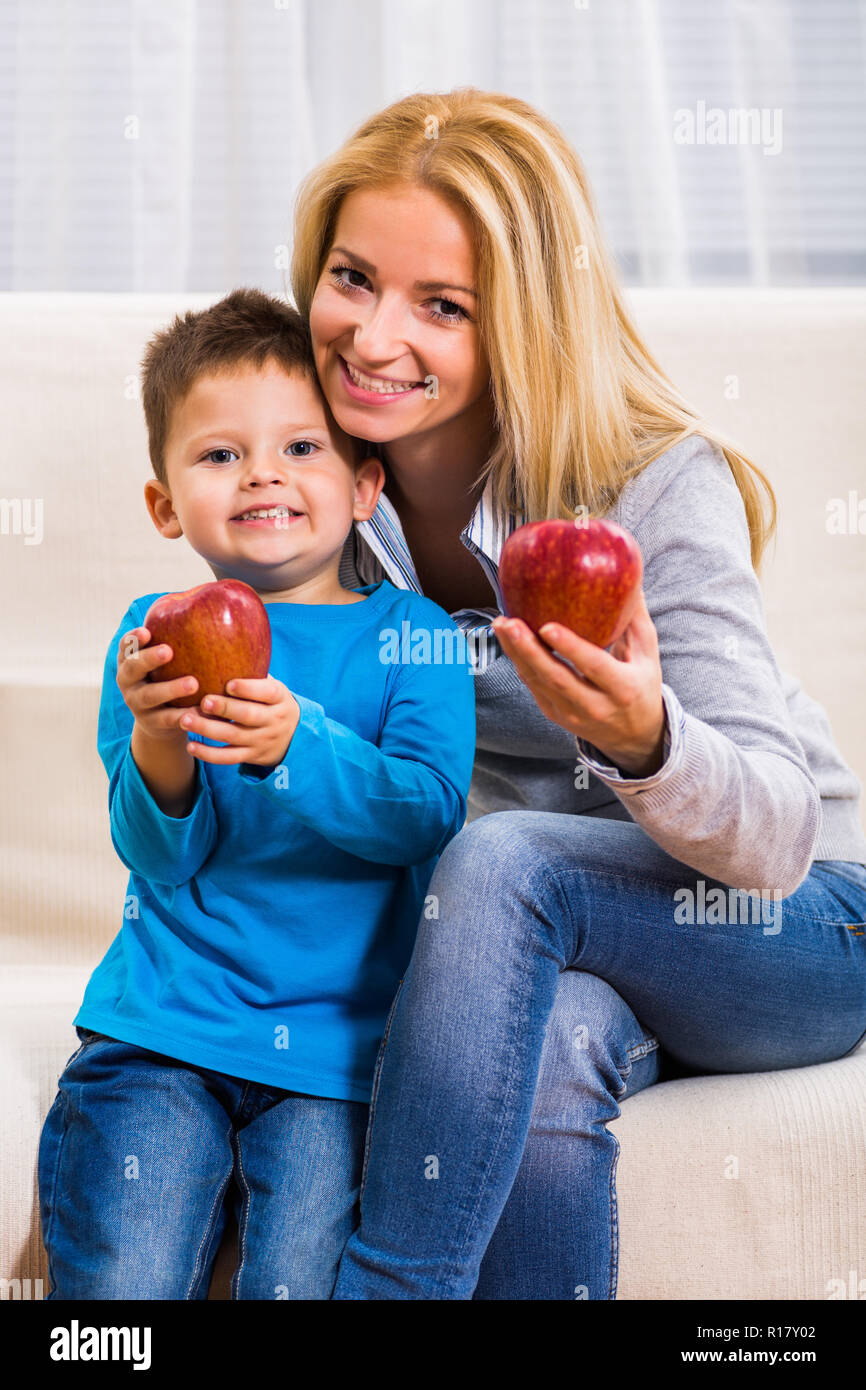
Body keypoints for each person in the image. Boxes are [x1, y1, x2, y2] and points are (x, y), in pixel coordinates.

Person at [286, 87, 866, 1299]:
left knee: (503, 860)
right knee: (540, 1053)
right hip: (544, 950)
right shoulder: (318, 492)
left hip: (793, 923)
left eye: (441, 306)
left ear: (523, 324)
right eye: (351, 278)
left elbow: (774, 835)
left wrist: (645, 742)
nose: (374, 336)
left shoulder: (646, 483)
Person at [36, 287, 476, 1299]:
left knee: (302, 1282)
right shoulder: (152, 632)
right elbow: (156, 857)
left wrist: (296, 745)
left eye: (302, 449)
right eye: (220, 454)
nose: (263, 474)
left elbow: (425, 815)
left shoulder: (416, 639)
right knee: (119, 1285)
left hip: (337, 1060)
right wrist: (157, 734)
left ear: (367, 485)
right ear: (164, 503)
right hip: (161, 1030)